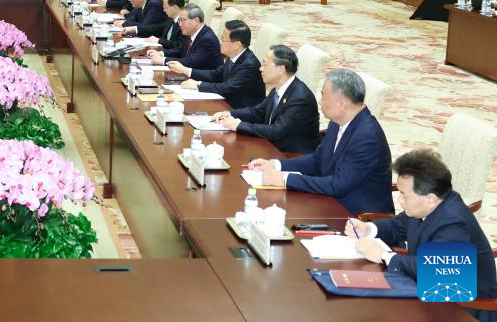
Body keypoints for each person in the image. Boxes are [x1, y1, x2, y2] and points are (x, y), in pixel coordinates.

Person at [346, 149, 496, 320]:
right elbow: (397, 226)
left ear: (430, 198)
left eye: (404, 195)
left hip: (463, 307)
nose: (399, 200)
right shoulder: (427, 204)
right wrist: (369, 229)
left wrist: (384, 256)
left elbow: (434, 271)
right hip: (430, 291)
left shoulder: (453, 223)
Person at [248, 69, 394, 215]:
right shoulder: (337, 121)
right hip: (329, 202)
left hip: (358, 217)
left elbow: (338, 185)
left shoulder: (367, 137)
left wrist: (285, 179)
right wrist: (275, 164)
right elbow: (317, 161)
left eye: (323, 96)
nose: (320, 102)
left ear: (341, 103)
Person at [211, 45, 320, 153]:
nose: (260, 68)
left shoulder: (300, 98)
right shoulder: (279, 88)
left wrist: (239, 125)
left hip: (292, 155)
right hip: (272, 147)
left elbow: (277, 131)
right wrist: (229, 114)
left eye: (265, 65)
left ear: (281, 69)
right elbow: (257, 112)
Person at [170, 20, 265, 108]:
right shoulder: (233, 56)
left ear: (236, 45)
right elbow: (215, 74)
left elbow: (227, 87)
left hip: (241, 112)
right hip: (227, 104)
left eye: (223, 40)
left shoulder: (249, 65)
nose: (220, 43)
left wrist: (198, 85)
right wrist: (185, 70)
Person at [145, 4, 221, 71]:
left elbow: (191, 61)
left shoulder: (207, 39)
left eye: (183, 20)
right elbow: (180, 50)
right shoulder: (191, 33)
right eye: (179, 21)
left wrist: (163, 60)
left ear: (196, 21)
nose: (180, 24)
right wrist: (161, 53)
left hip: (204, 81)